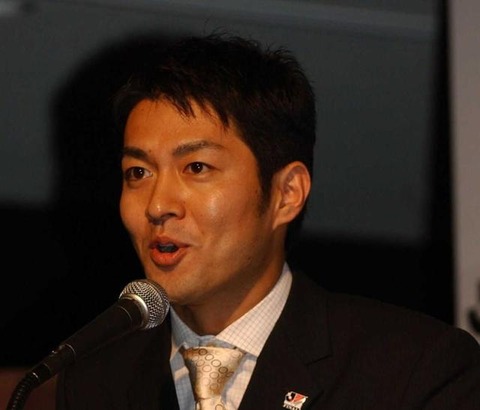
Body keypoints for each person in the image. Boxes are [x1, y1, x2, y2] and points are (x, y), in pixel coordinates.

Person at [55, 32, 480, 409]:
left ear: (286, 193)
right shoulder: (96, 384)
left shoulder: (412, 370)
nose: (157, 205)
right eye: (138, 172)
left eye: (197, 167)